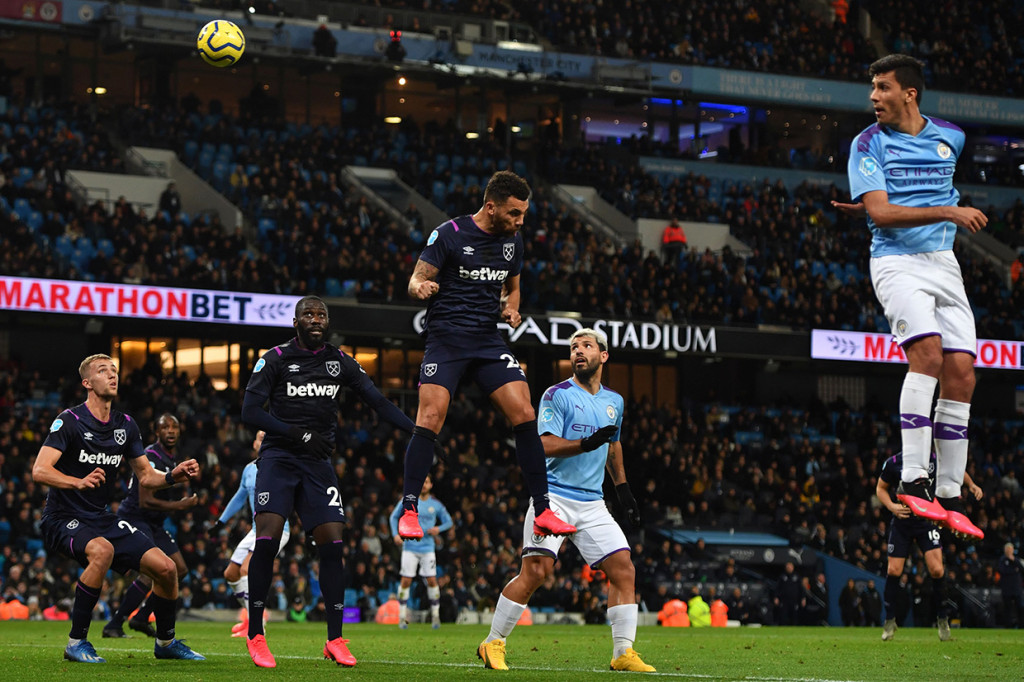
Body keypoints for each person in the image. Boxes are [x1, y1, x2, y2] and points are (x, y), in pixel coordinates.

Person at [832, 54, 988, 539]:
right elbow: (881, 214)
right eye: (872, 88)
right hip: (896, 263)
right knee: (927, 355)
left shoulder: (951, 137)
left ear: (909, 93)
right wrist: (952, 211)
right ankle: (914, 480)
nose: (873, 97)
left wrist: (938, 210)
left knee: (962, 373)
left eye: (882, 87)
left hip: (943, 263)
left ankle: (948, 495)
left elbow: (915, 194)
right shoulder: (866, 143)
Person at [397, 170, 577, 542]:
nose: (520, 221)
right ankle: (410, 509)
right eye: (514, 214)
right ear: (491, 207)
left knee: (525, 413)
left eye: (523, 214)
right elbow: (415, 280)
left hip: (486, 339)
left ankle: (542, 510)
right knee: (430, 416)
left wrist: (511, 309)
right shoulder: (449, 234)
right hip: (446, 338)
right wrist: (424, 287)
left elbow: (513, 289)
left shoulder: (513, 242)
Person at [239, 295, 418, 668]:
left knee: (334, 544)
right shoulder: (274, 359)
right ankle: (256, 634)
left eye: (321, 314)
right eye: (308, 314)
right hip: (279, 459)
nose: (315, 319)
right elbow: (250, 411)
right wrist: (297, 434)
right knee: (268, 538)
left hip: (318, 465)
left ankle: (335, 639)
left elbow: (378, 403)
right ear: (296, 321)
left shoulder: (339, 361)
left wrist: (420, 433)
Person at [477, 328, 654, 673]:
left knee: (623, 569)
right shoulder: (556, 395)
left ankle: (623, 653)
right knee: (536, 572)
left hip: (592, 503)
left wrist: (623, 490)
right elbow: (541, 444)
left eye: (586, 346)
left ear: (603, 356)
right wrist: (584, 444)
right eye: (574, 347)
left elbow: (613, 446)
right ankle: (492, 642)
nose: (578, 351)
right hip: (553, 496)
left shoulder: (614, 402)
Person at [32, 354, 204, 663]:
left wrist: (172, 476)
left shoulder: (125, 425)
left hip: (101, 518)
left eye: (114, 371)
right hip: (63, 518)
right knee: (102, 552)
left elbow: (146, 477)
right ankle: (76, 642)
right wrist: (77, 482)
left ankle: (165, 644)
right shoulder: (69, 420)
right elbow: (40, 470)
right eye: (103, 371)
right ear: (87, 383)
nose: (112, 376)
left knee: (167, 569)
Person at [102, 413, 198, 639]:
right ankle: (114, 624)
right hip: (136, 517)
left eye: (175, 427)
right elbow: (146, 501)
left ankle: (142, 617)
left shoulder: (171, 459)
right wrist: (179, 505)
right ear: (157, 432)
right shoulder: (151, 456)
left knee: (180, 570)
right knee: (151, 572)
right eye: (166, 427)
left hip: (154, 522)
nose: (171, 431)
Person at [875, 449, 982, 641]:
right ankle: (890, 620)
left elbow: (954, 470)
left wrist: (971, 484)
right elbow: (880, 488)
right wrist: (892, 507)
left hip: (926, 521)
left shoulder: (933, 459)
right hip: (903, 521)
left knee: (937, 570)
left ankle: (943, 620)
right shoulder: (894, 462)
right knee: (894, 570)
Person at [211, 430, 291, 638]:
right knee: (231, 573)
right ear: (254, 443)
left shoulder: (279, 467)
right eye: (259, 438)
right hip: (255, 530)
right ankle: (252, 615)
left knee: (248, 568)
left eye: (266, 438)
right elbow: (239, 497)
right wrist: (221, 521)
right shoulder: (248, 469)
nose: (262, 441)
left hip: (276, 528)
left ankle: (257, 623)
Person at [388, 474, 453, 629]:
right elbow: (393, 517)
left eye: (427, 482)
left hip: (428, 548)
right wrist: (395, 535)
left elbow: (449, 521)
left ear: (431, 485)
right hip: (410, 547)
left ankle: (435, 616)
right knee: (406, 581)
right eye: (422, 482)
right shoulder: (409, 501)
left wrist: (439, 528)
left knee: (431, 580)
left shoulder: (435, 505)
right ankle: (402, 617)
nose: (424, 485)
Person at [997, 542, 1023, 628]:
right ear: (1004, 550)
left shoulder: (1016, 560)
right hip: (1006, 588)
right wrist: (1014, 571)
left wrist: (1014, 561)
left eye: (1010, 549)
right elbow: (1002, 571)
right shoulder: (1002, 560)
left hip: (1016, 588)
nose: (1008, 551)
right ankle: (1008, 626)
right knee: (1007, 608)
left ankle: (1021, 625)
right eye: (1007, 549)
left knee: (1020, 607)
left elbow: (1021, 569)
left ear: (1012, 550)